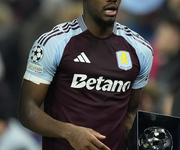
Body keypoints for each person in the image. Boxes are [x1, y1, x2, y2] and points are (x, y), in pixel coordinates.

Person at [18, 0, 153, 150]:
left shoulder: (141, 50)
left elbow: (130, 115)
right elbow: (27, 110)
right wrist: (69, 132)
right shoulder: (53, 43)